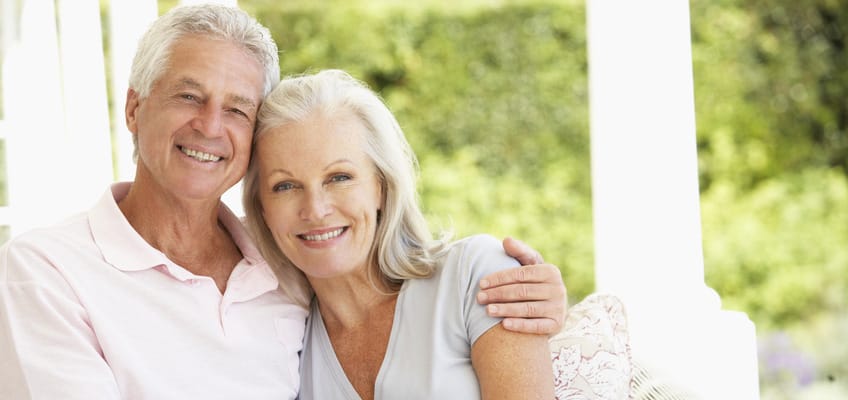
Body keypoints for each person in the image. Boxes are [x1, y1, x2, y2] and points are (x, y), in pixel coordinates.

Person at [0, 4, 565, 400]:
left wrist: (545, 305)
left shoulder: (281, 277)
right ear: (133, 109)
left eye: (237, 109)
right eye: (188, 96)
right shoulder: (46, 271)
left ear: (381, 185)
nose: (210, 126)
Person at [243, 69, 556, 399]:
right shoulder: (283, 349)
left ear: (380, 186)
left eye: (339, 177)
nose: (316, 209)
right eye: (285, 186)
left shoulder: (475, 278)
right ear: (262, 209)